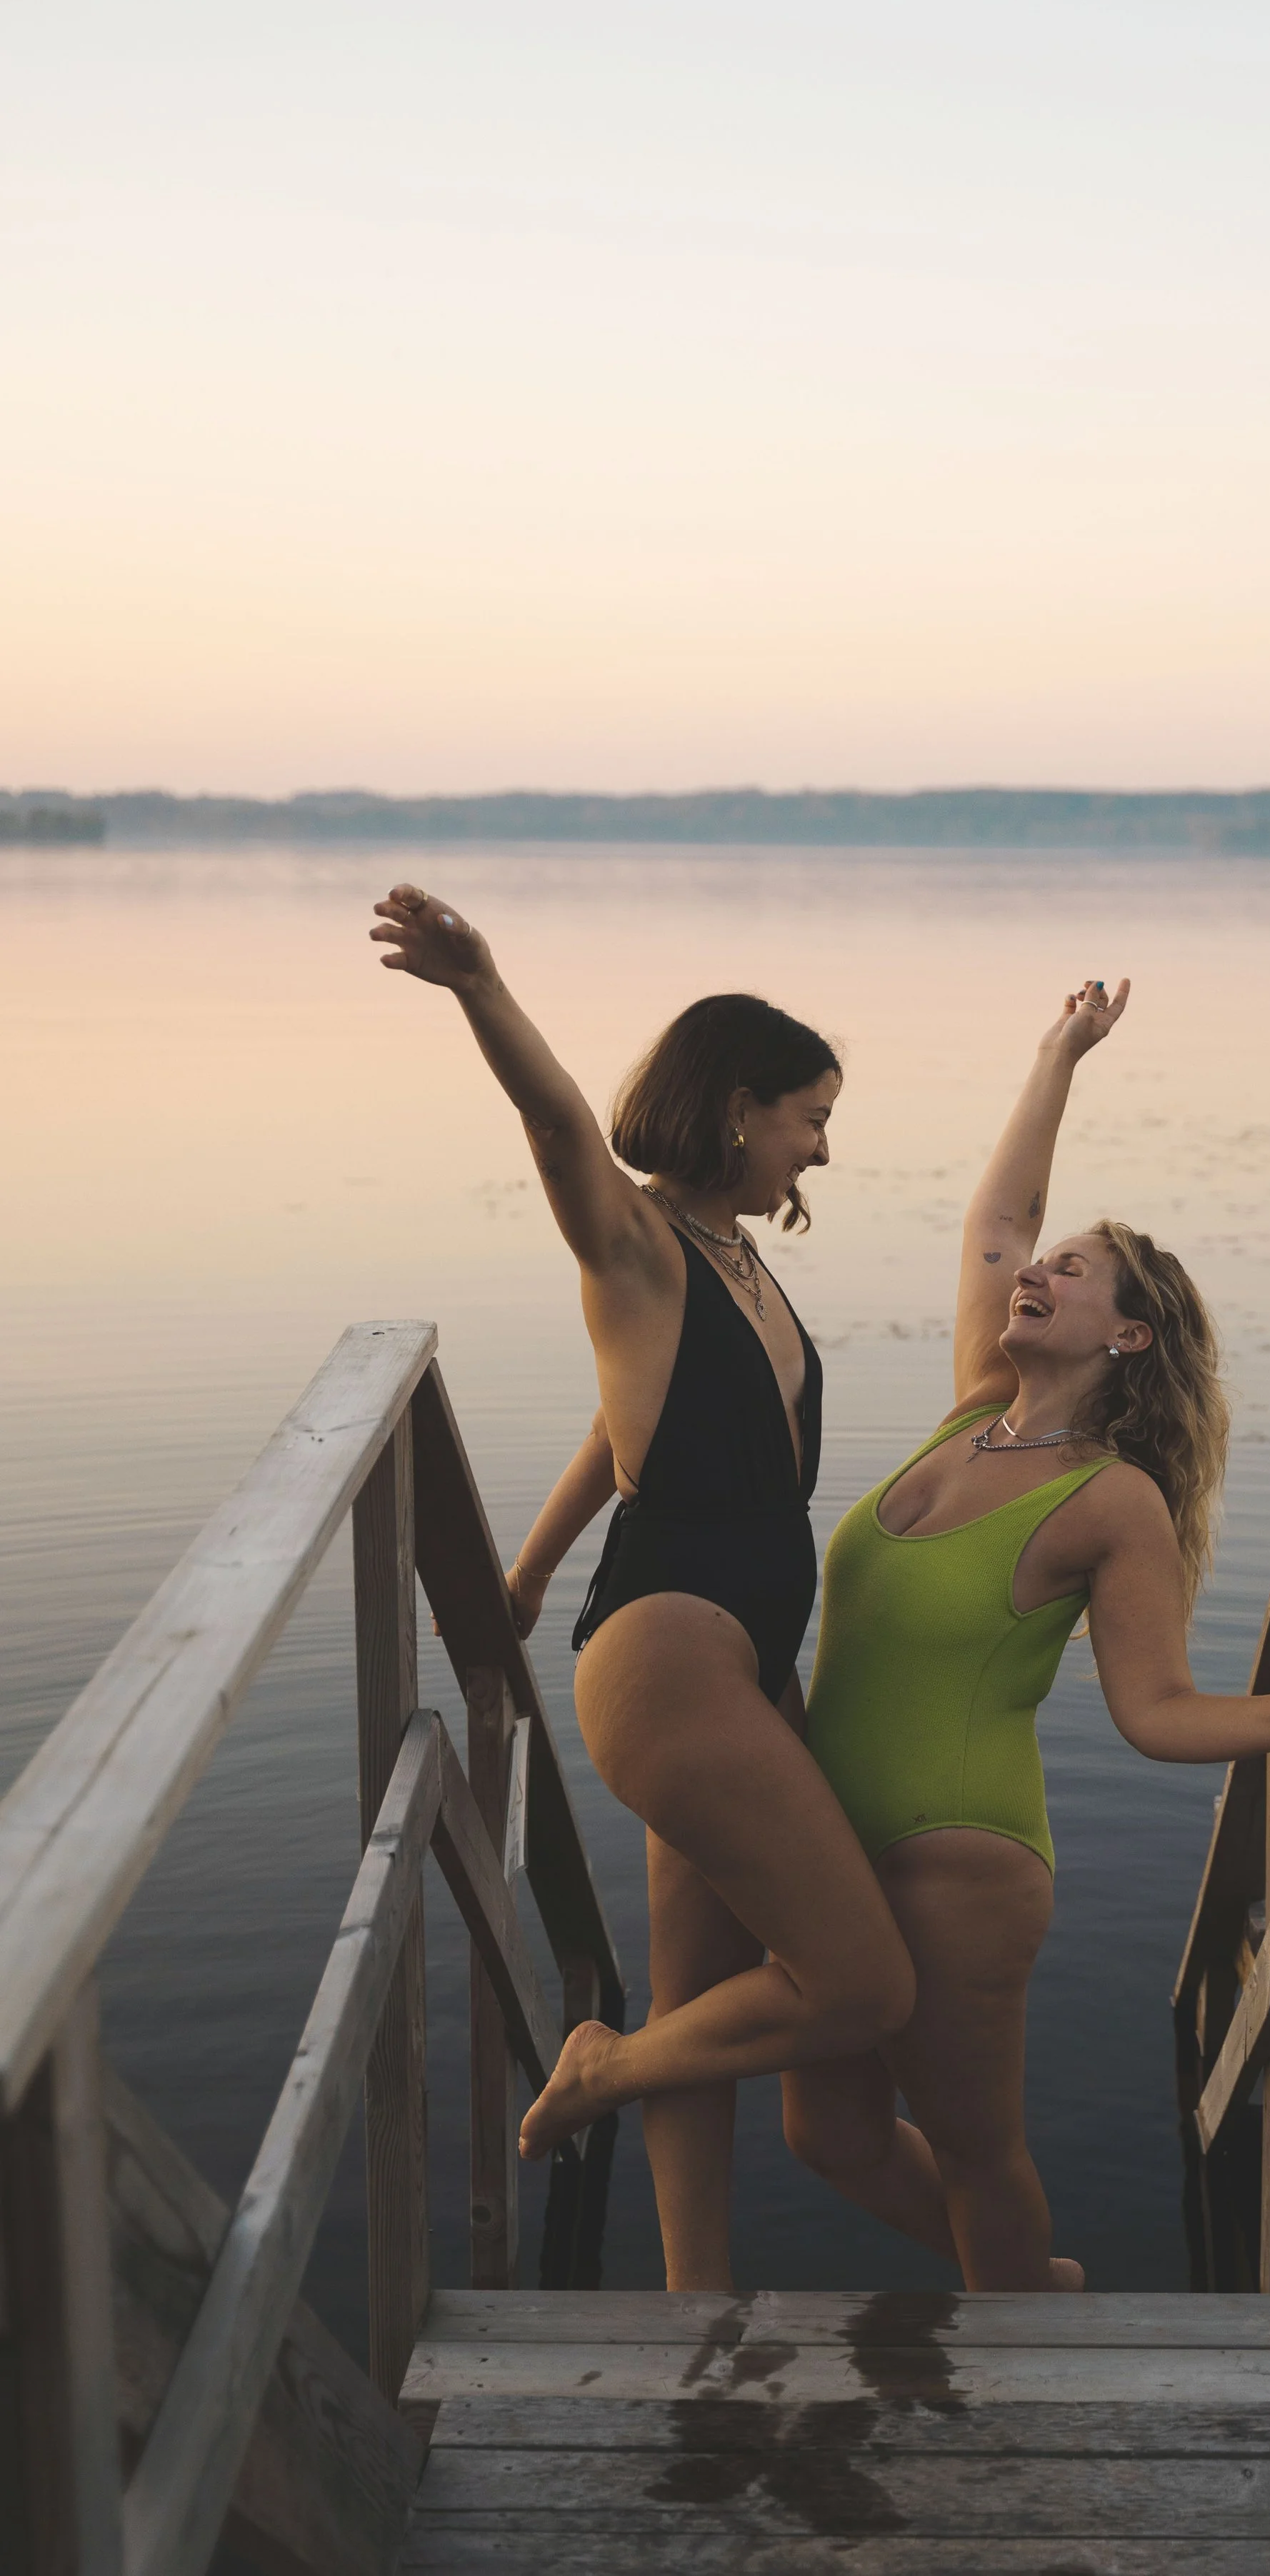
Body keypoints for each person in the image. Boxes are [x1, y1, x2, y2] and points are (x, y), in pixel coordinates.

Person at [369, 884, 914, 2288]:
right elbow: (556, 1128)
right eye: (810, 1116)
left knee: (707, 2007)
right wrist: (481, 987)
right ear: (738, 1108)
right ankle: (598, 2068)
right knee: (858, 1984)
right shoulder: (639, 1242)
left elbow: (622, 1433)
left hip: (738, 1662)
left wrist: (529, 1569)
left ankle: (692, 2306)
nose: (824, 1147)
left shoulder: (734, 1262)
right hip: (673, 1659)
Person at [780, 979, 1270, 2291]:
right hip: (826, 1833)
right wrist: (1057, 1055)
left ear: (1128, 1333)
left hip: (960, 1855)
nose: (1032, 1275)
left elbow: (1154, 1711)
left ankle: (1023, 2354)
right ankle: (1033, 2286)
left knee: (980, 2148)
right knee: (828, 2133)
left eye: (1070, 1274)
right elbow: (998, 1217)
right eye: (1042, 1268)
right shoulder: (972, 1412)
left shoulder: (1110, 1499)